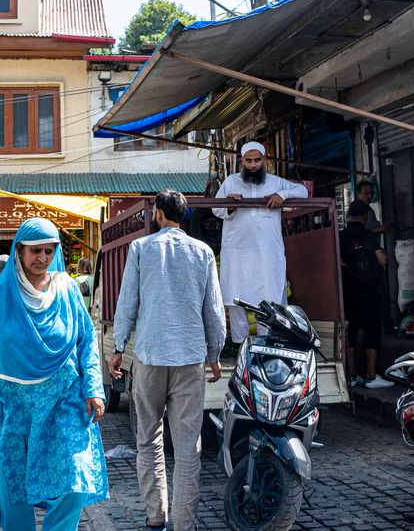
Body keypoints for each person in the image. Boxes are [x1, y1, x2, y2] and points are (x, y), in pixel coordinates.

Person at [0, 218, 108, 531]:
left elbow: (86, 341)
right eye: (35, 251)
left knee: (75, 482)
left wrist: (94, 387)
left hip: (63, 402)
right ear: (19, 252)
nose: (42, 258)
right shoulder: (2, 297)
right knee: (13, 492)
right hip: (14, 408)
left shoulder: (66, 290)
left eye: (48, 250)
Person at [109, 189, 226, 531]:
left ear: (158, 213)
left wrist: (118, 346)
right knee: (188, 445)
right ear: (184, 215)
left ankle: (155, 515)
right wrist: (215, 354)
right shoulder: (203, 251)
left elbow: (127, 300)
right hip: (190, 357)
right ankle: (184, 524)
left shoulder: (141, 248)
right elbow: (214, 312)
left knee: (148, 437)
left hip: (150, 355)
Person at [213, 141, 308, 347]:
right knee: (236, 301)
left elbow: (302, 191)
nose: (253, 165)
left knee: (269, 300)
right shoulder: (231, 182)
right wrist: (230, 205)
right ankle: (241, 349)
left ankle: (266, 348)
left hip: (268, 254)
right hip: (238, 253)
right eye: (249, 161)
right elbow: (215, 209)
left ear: (264, 161)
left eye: (257, 160)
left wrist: (281, 195)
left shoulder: (275, 183)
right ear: (242, 161)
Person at [340, 200, 393, 389]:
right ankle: (371, 376)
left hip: (348, 292)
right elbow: (382, 260)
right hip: (371, 291)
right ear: (364, 217)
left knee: (350, 331)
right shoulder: (368, 236)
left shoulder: (339, 237)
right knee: (372, 330)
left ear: (348, 217)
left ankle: (352, 375)